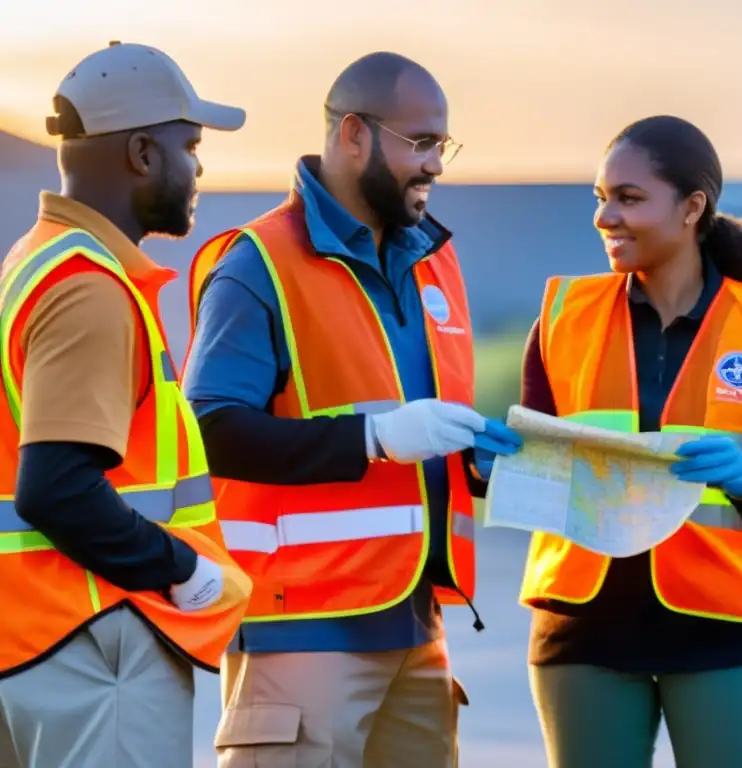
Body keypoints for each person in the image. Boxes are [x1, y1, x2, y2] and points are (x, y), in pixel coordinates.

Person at [181, 51, 520, 767]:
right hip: (300, 631)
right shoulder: (258, 265)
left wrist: (478, 458)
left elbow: (421, 437)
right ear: (354, 136)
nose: (435, 165)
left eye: (441, 145)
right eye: (420, 144)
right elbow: (208, 431)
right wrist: (372, 438)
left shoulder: (435, 260)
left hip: (419, 628)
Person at [517, 115, 742, 768]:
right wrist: (495, 463)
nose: (605, 216)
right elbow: (535, 485)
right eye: (599, 197)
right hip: (583, 634)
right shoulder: (562, 319)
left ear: (692, 208)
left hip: (731, 636)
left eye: (628, 198)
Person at [0, 41, 252, 768]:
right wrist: (181, 566)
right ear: (143, 153)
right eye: (190, 147)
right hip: (94, 640)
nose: (199, 168)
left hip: (41, 637)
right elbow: (55, 487)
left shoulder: (35, 259)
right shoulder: (88, 286)